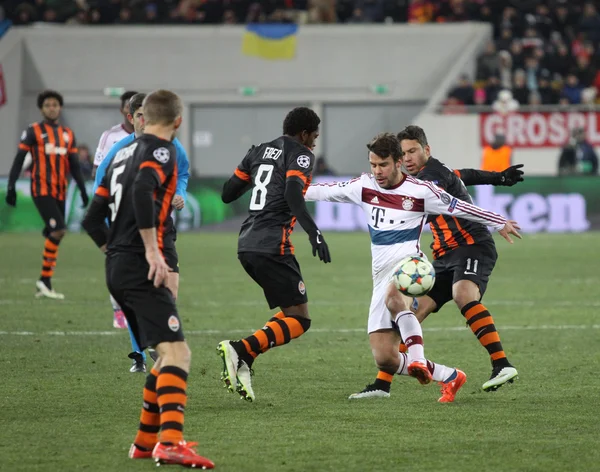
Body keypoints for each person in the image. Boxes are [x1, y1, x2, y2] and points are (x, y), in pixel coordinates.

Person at [305, 132, 521, 402]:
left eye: (383, 164)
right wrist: (282, 188)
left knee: (401, 299)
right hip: (396, 269)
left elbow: (460, 207)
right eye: (373, 165)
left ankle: (432, 359)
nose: (377, 171)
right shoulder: (363, 186)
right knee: (385, 356)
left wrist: (498, 221)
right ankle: (448, 376)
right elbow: (320, 191)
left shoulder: (421, 190)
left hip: (413, 263)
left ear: (396, 163)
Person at [81, 89, 214, 469]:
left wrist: (116, 252)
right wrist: (152, 253)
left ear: (143, 116)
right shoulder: (163, 150)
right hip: (142, 265)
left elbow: (91, 218)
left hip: (118, 267)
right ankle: (170, 443)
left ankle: (142, 444)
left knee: (163, 355)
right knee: (178, 353)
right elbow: (142, 190)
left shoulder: (119, 153)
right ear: (178, 121)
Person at [216, 107, 331, 402]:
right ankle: (240, 349)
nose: (314, 143)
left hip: (246, 245)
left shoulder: (257, 151)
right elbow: (293, 194)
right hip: (273, 246)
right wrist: (313, 231)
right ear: (304, 134)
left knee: (289, 312)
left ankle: (246, 358)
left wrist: (256, 174)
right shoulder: (301, 154)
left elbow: (228, 193)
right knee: (300, 319)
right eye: (314, 137)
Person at [94, 92, 190, 373]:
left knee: (168, 296)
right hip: (130, 237)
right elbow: (102, 185)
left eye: (147, 115)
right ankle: (141, 353)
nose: (144, 120)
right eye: (139, 116)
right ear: (131, 118)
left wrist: (178, 193)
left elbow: (182, 173)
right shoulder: (121, 149)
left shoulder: (173, 148)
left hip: (163, 230)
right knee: (138, 298)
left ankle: (158, 343)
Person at [5, 89, 89, 299]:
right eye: (47, 105)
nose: (52, 108)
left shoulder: (67, 134)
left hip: (60, 191)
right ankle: (44, 280)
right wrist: (11, 186)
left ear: (60, 107)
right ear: (42, 109)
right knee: (59, 230)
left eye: (55, 104)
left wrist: (82, 189)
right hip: (41, 189)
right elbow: (18, 159)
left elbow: (75, 165)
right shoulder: (33, 131)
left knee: (56, 233)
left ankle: (45, 282)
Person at [92, 90, 138, 327]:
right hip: (116, 207)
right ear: (124, 111)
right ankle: (118, 309)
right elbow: (97, 169)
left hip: (141, 211)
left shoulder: (154, 139)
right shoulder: (110, 137)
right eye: (130, 108)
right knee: (118, 258)